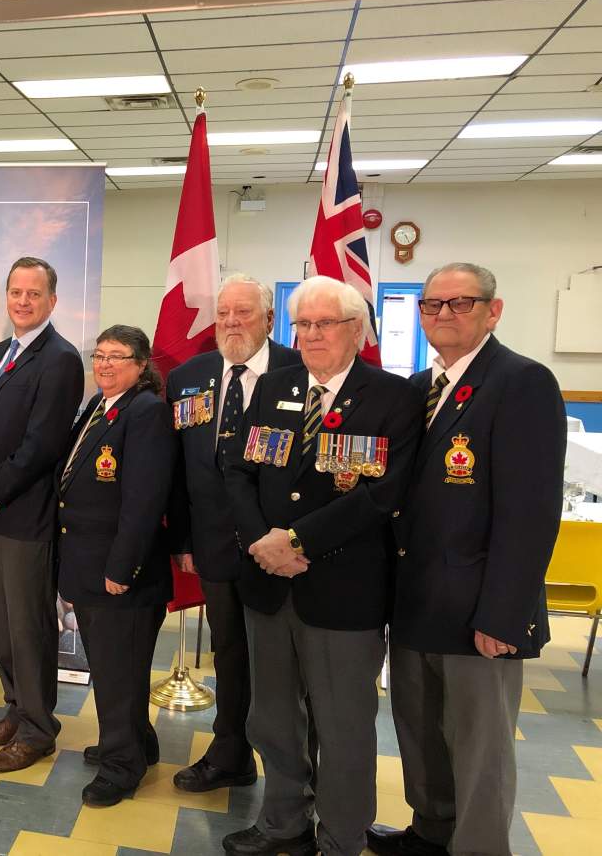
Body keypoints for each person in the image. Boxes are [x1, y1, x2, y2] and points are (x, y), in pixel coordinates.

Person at [367, 264, 566, 856]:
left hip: (481, 609)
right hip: (416, 599)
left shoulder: (521, 381)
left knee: (480, 749)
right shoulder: (418, 388)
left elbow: (530, 514)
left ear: (493, 311)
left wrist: (504, 616)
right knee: (420, 731)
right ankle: (431, 832)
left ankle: (478, 847)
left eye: (461, 303)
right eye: (432, 304)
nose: (444, 314)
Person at [222, 276, 424, 856]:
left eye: (325, 324)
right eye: (303, 324)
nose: (311, 335)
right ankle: (283, 822)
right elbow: (239, 471)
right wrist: (262, 541)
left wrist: (297, 540)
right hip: (267, 583)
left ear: (356, 330)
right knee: (272, 720)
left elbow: (382, 494)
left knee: (343, 728)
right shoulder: (275, 386)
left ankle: (341, 837)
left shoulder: (392, 396)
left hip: (342, 591)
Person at [167, 273, 301, 794]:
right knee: (228, 653)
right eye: (223, 313)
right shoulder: (190, 376)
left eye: (243, 312)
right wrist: (182, 540)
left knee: (282, 664)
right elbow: (180, 470)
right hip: (215, 545)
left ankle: (294, 774)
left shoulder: (299, 370)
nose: (231, 322)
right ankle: (231, 753)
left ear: (269, 318)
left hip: (281, 548)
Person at [0, 256, 84, 773]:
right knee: (4, 625)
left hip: (27, 514)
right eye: (15, 291)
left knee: (30, 628)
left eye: (33, 293)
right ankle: (16, 711)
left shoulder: (60, 358)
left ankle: (38, 729)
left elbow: (42, 444)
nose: (22, 301)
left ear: (52, 301)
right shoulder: (0, 352)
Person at [57, 325, 175, 807]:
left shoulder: (146, 412)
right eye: (99, 355)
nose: (104, 364)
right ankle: (136, 743)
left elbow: (143, 501)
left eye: (117, 356)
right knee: (116, 670)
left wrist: (122, 569)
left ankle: (120, 767)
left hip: (120, 573)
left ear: (141, 365)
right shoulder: (101, 405)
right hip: (90, 564)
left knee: (118, 675)